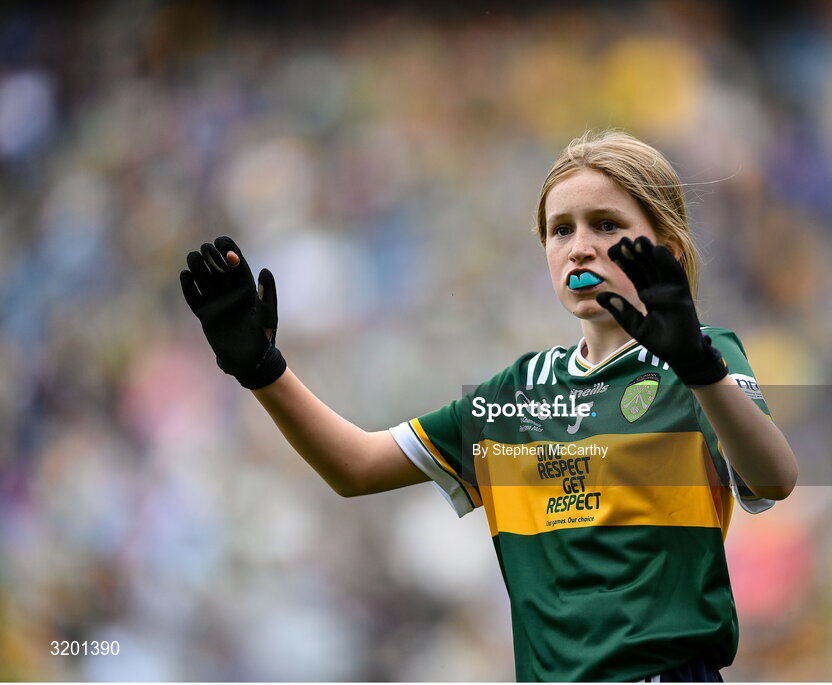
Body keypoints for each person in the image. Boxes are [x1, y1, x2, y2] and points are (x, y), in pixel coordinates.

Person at [180, 130, 798, 682]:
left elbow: (775, 478)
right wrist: (262, 370)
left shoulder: (706, 361)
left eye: (607, 225)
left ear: (670, 248)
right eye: (561, 229)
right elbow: (356, 467)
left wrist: (698, 367)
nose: (580, 247)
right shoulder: (514, 394)